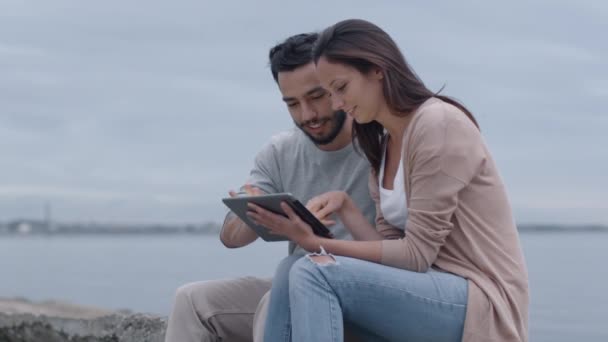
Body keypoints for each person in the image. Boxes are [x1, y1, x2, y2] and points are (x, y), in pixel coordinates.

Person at [250, 19, 529, 342]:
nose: (338, 104)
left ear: (376, 69)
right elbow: (392, 252)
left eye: (340, 88)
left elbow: (416, 255)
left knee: (314, 270)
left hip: (480, 301)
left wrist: (315, 243)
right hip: (426, 290)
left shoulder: (436, 124)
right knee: (292, 268)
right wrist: (346, 206)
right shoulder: (383, 143)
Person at [163, 32, 376, 342]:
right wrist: (257, 210)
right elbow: (230, 238)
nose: (308, 115)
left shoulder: (379, 144)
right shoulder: (280, 151)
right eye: (292, 103)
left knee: (278, 299)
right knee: (191, 300)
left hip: (367, 293)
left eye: (317, 97)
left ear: (337, 85)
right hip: (300, 280)